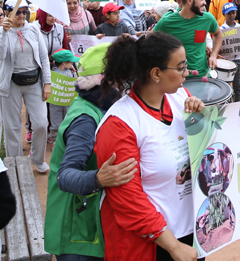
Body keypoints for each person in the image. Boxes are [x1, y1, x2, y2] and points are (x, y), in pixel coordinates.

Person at [94, 32, 204, 261]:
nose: (188, 72)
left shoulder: (180, 98)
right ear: (156, 73)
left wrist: (202, 119)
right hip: (151, 244)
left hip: (190, 232)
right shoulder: (120, 124)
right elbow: (127, 198)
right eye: (181, 67)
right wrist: (173, 247)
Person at [44, 43, 138, 261]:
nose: (125, 87)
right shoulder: (85, 120)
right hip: (76, 231)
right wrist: (98, 178)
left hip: (86, 220)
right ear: (105, 82)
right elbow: (65, 176)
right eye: (121, 81)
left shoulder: (99, 105)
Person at [0, 0, 52, 172]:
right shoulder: (3, 31)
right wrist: (4, 32)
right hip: (10, 83)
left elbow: (44, 57)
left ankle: (37, 158)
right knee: (12, 125)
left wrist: (47, 83)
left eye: (25, 12)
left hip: (33, 81)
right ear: (9, 13)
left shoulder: (33, 29)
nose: (22, 15)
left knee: (40, 123)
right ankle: (15, 163)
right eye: (18, 12)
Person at [154, 0, 222, 78]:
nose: (205, 3)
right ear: (189, 1)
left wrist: (214, 55)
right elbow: (151, 42)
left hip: (202, 75)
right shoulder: (167, 21)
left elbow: (218, 34)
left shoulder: (207, 18)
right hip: (176, 79)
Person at [48, 49, 79, 144]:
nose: (73, 63)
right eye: (71, 62)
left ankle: (67, 140)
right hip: (55, 103)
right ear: (64, 63)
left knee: (68, 121)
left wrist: (75, 75)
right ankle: (55, 141)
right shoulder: (52, 73)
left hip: (68, 103)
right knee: (56, 123)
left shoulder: (70, 72)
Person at [220, 2, 240, 103]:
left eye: (233, 13)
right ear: (224, 14)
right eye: (229, 13)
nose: (231, 15)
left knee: (238, 85)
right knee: (226, 85)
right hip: (226, 62)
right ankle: (228, 105)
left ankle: (237, 104)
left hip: (238, 60)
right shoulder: (221, 29)